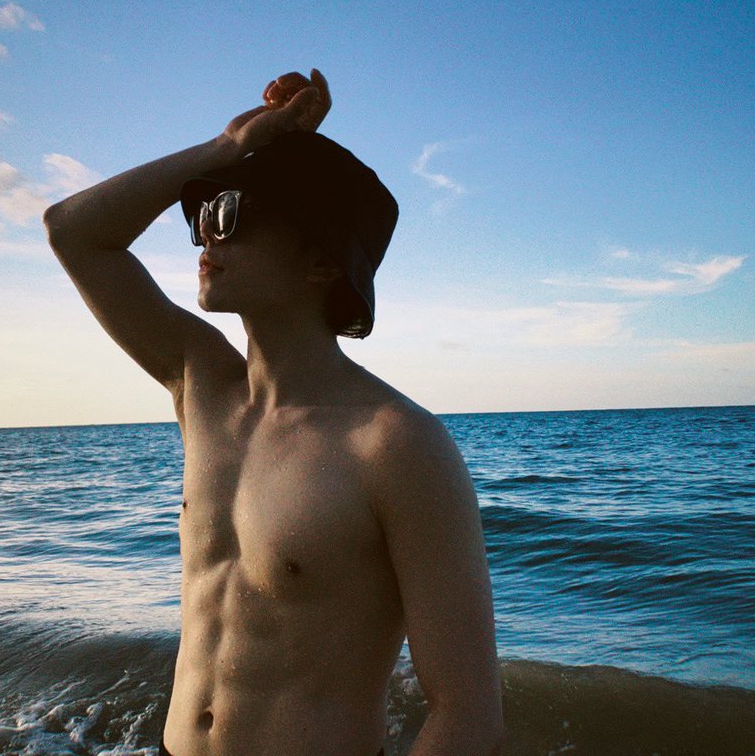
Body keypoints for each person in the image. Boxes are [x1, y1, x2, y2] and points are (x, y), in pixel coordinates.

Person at [43, 69, 504, 756]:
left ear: (321, 264)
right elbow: (74, 232)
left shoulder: (396, 446)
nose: (207, 238)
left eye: (231, 215)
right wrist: (227, 147)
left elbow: (467, 714)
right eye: (204, 216)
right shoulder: (202, 387)